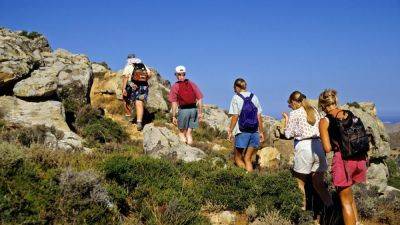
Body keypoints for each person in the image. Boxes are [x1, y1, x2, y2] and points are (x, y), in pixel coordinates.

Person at [318, 89, 367, 225]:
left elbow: (327, 148)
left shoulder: (325, 121)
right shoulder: (349, 114)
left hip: (343, 161)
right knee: (349, 196)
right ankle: (357, 222)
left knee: (345, 202)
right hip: (359, 158)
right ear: (335, 101)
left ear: (323, 105)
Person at [282, 91, 333, 211]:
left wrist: (286, 120)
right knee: (319, 184)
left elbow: (288, 134)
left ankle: (302, 213)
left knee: (300, 183)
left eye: (290, 104)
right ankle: (331, 209)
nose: (290, 106)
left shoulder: (295, 113)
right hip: (318, 147)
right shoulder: (315, 110)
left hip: (304, 148)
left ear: (294, 102)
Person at [228, 78, 264, 172]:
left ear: (237, 87)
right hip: (254, 132)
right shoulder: (254, 97)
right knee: (247, 159)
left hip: (242, 132)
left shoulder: (236, 97)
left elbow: (235, 116)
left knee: (237, 158)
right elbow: (259, 116)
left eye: (234, 88)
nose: (234, 90)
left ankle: (245, 179)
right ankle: (251, 180)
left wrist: (230, 130)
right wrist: (261, 132)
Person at [168, 65, 203, 145]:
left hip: (183, 111)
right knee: (189, 133)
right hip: (194, 110)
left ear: (176, 75)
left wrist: (173, 116)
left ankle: (184, 153)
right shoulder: (192, 83)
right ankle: (190, 151)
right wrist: (200, 113)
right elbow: (200, 99)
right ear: (185, 73)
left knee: (181, 133)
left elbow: (174, 103)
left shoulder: (175, 86)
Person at [121, 54, 152, 131]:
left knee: (126, 99)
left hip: (133, 86)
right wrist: (143, 80)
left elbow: (125, 78)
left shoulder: (128, 66)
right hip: (144, 86)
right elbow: (149, 74)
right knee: (139, 102)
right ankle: (139, 122)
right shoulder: (142, 65)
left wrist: (123, 89)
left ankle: (128, 115)